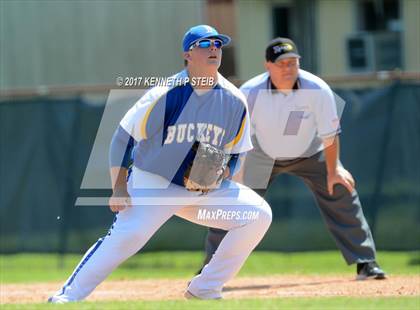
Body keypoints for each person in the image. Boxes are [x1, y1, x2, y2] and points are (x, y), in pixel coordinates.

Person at [48, 25, 272, 303]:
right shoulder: (167, 93)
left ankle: (205, 288)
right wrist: (118, 188)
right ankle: (66, 297)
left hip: (200, 189)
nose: (214, 48)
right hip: (154, 182)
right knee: (129, 237)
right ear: (188, 55)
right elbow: (122, 137)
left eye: (217, 44)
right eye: (205, 44)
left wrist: (225, 172)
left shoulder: (234, 100)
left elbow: (238, 152)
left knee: (257, 215)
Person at [201, 37, 386, 280]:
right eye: (281, 63)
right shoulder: (249, 92)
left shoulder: (316, 88)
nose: (287, 68)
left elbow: (330, 135)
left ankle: (366, 262)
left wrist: (334, 170)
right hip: (262, 155)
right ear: (268, 66)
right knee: (232, 202)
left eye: (292, 62)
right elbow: (237, 137)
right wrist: (235, 174)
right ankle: (210, 269)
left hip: (311, 152)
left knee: (341, 187)